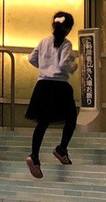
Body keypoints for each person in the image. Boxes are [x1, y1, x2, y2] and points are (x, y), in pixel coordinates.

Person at [24, 11, 79, 179]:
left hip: (42, 85)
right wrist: (73, 66)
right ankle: (61, 148)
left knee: (42, 122)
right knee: (71, 117)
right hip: (59, 85)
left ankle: (34, 156)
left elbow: (31, 59)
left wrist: (45, 68)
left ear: (53, 25)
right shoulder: (66, 44)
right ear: (69, 28)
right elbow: (64, 64)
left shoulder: (44, 41)